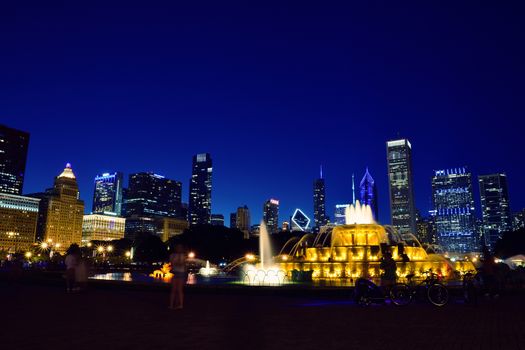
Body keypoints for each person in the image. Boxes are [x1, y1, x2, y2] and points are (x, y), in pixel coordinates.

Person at [169, 245, 187, 310]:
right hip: (175, 273)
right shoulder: (172, 255)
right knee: (173, 290)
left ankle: (180, 305)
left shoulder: (183, 256)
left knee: (179, 290)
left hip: (181, 273)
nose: (178, 249)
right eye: (177, 248)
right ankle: (171, 305)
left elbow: (182, 265)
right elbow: (174, 264)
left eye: (180, 248)